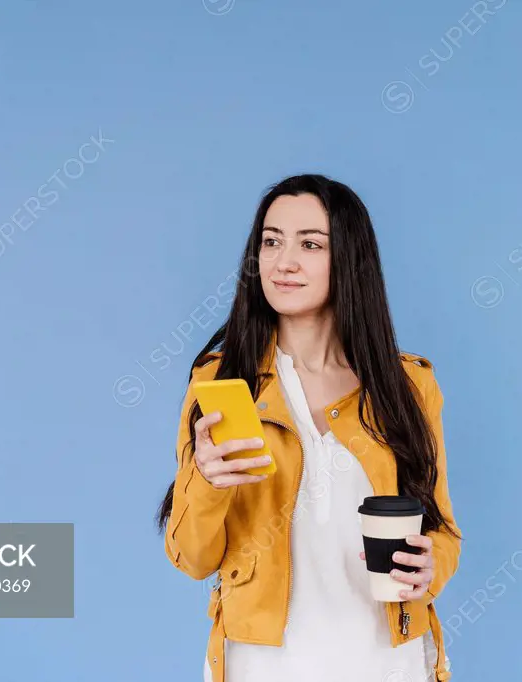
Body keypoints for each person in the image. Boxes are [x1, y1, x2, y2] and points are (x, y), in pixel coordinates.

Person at [155, 174, 461, 682]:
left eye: (311, 244)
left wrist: (433, 569)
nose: (283, 262)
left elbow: (442, 530)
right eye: (271, 241)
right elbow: (191, 556)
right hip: (265, 666)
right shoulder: (225, 383)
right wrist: (206, 483)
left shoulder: (407, 385)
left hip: (389, 663)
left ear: (349, 259)